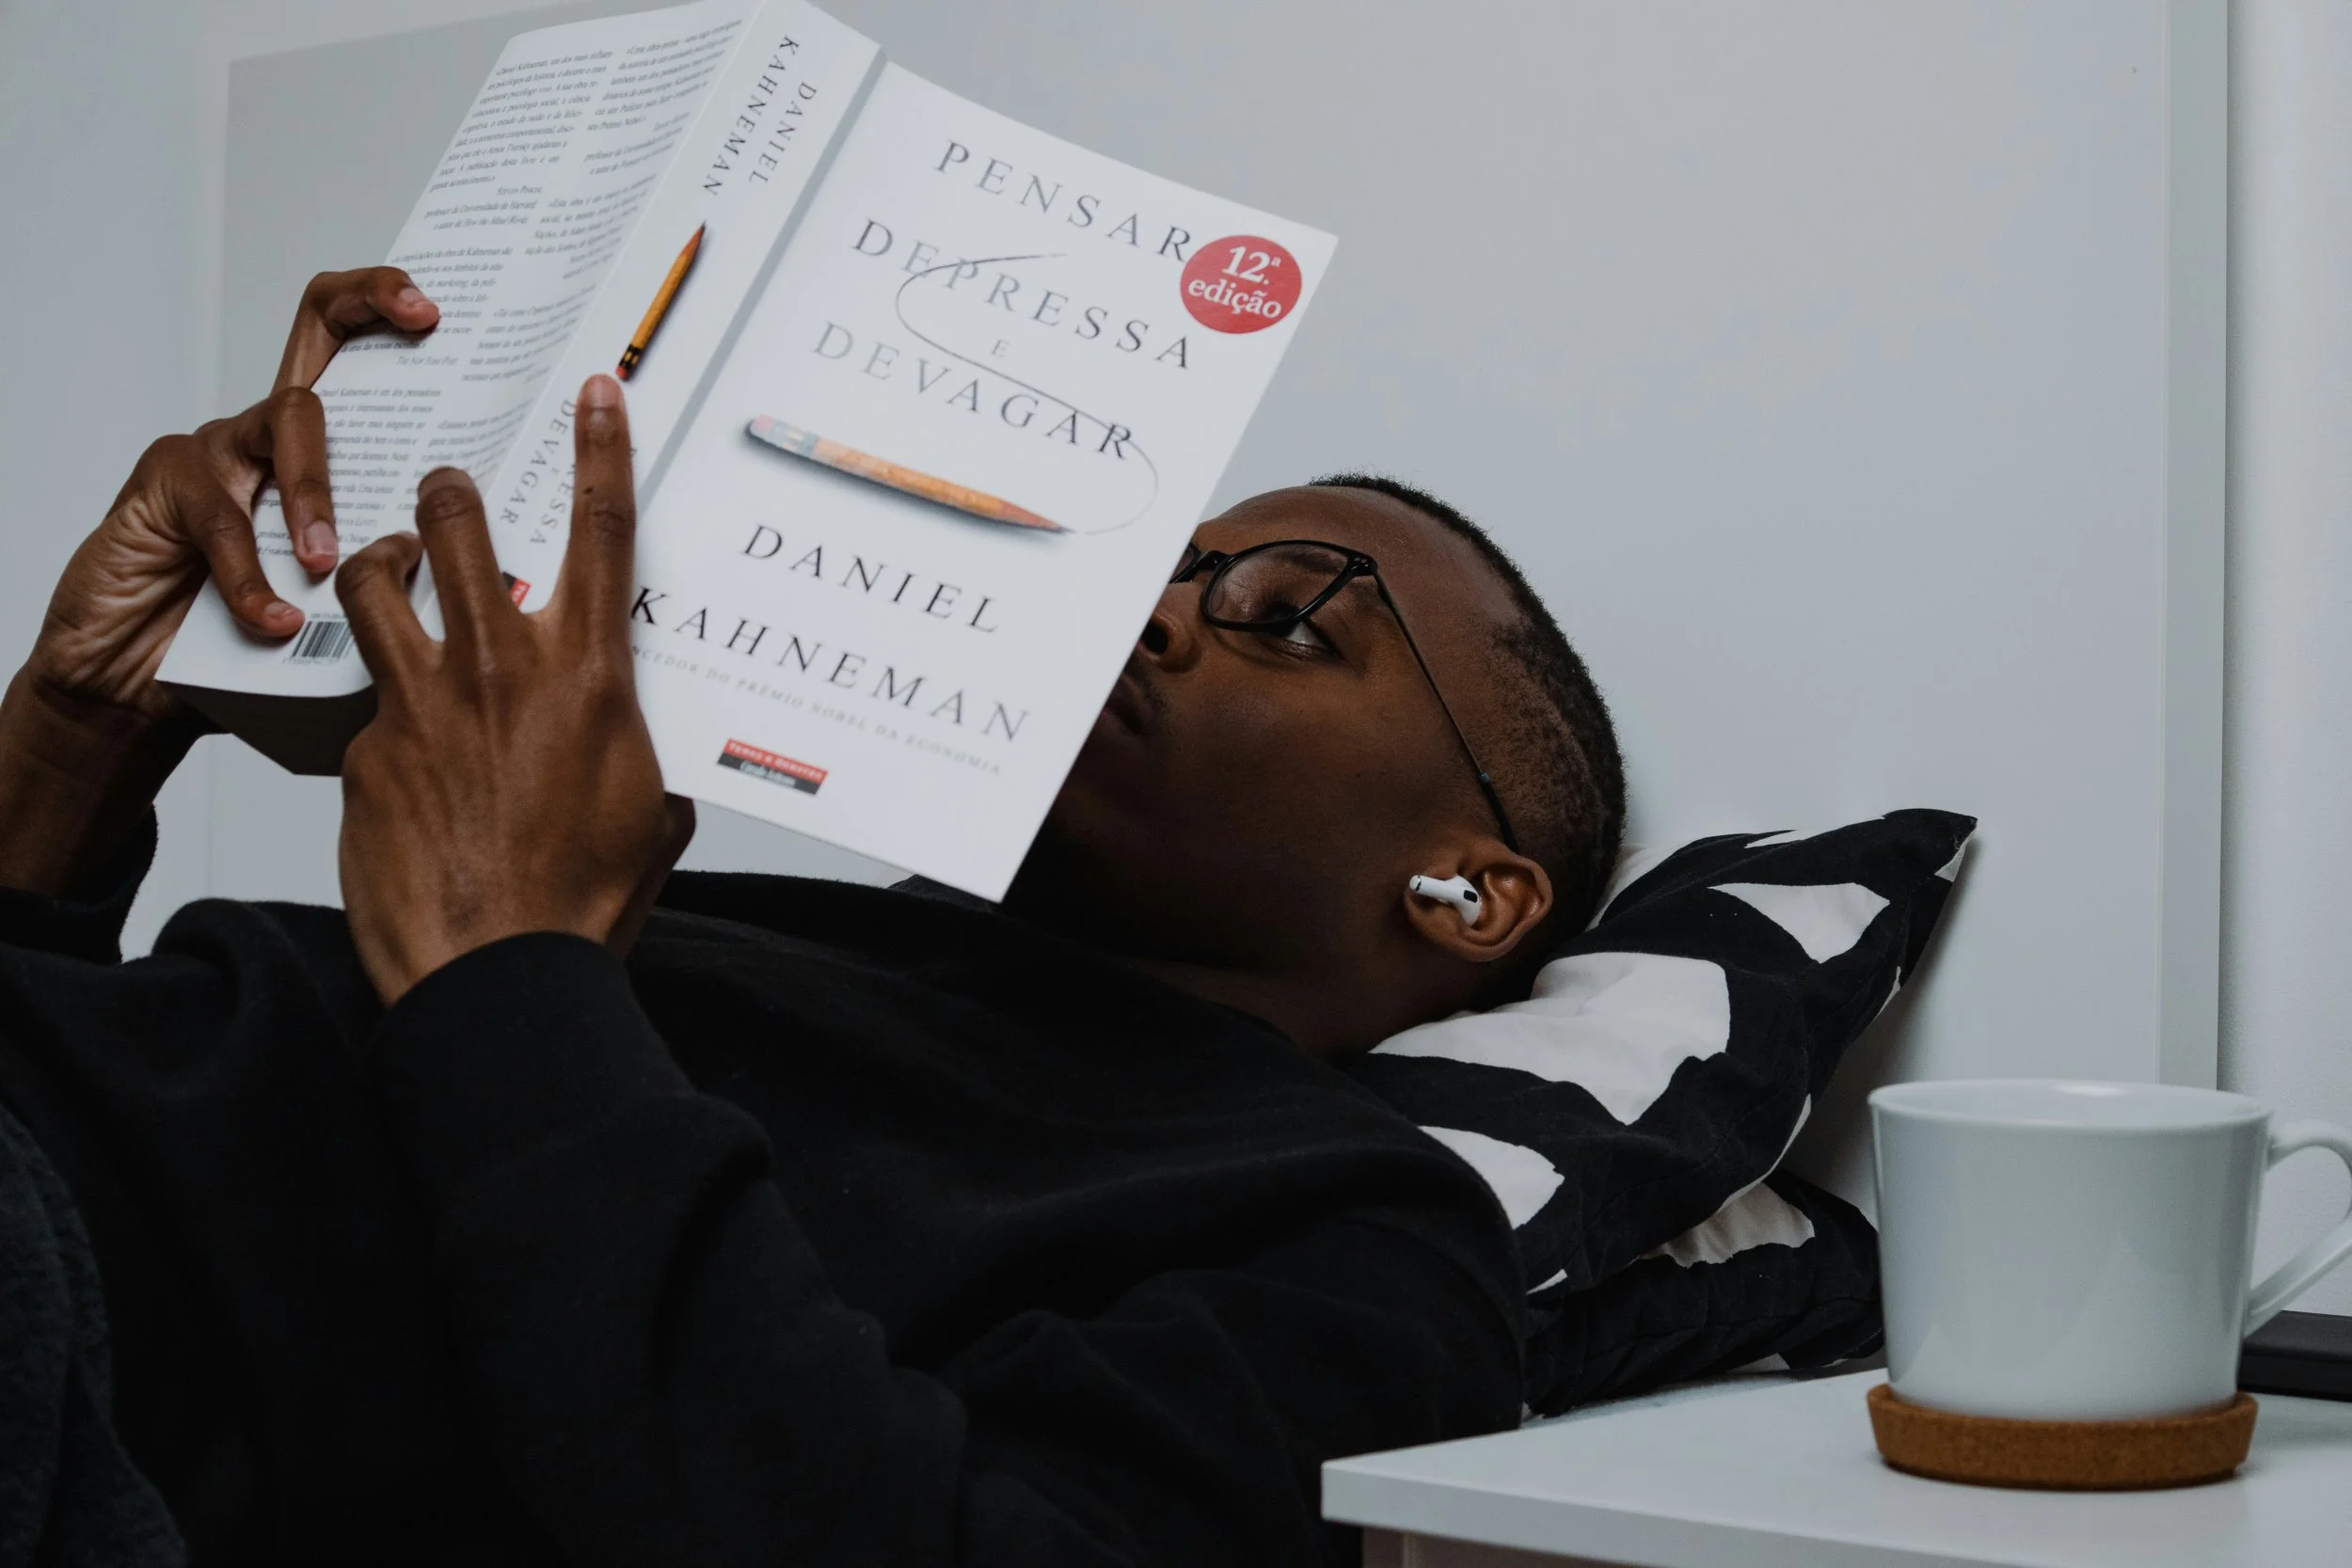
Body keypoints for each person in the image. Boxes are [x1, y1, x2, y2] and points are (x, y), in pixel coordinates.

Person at [0, 269, 1624, 1566]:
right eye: (1149, 567)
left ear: (1473, 890)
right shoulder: (790, 929)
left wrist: (511, 972)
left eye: (1285, 615)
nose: (1148, 613)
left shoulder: (1365, 1232)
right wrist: (69, 745)